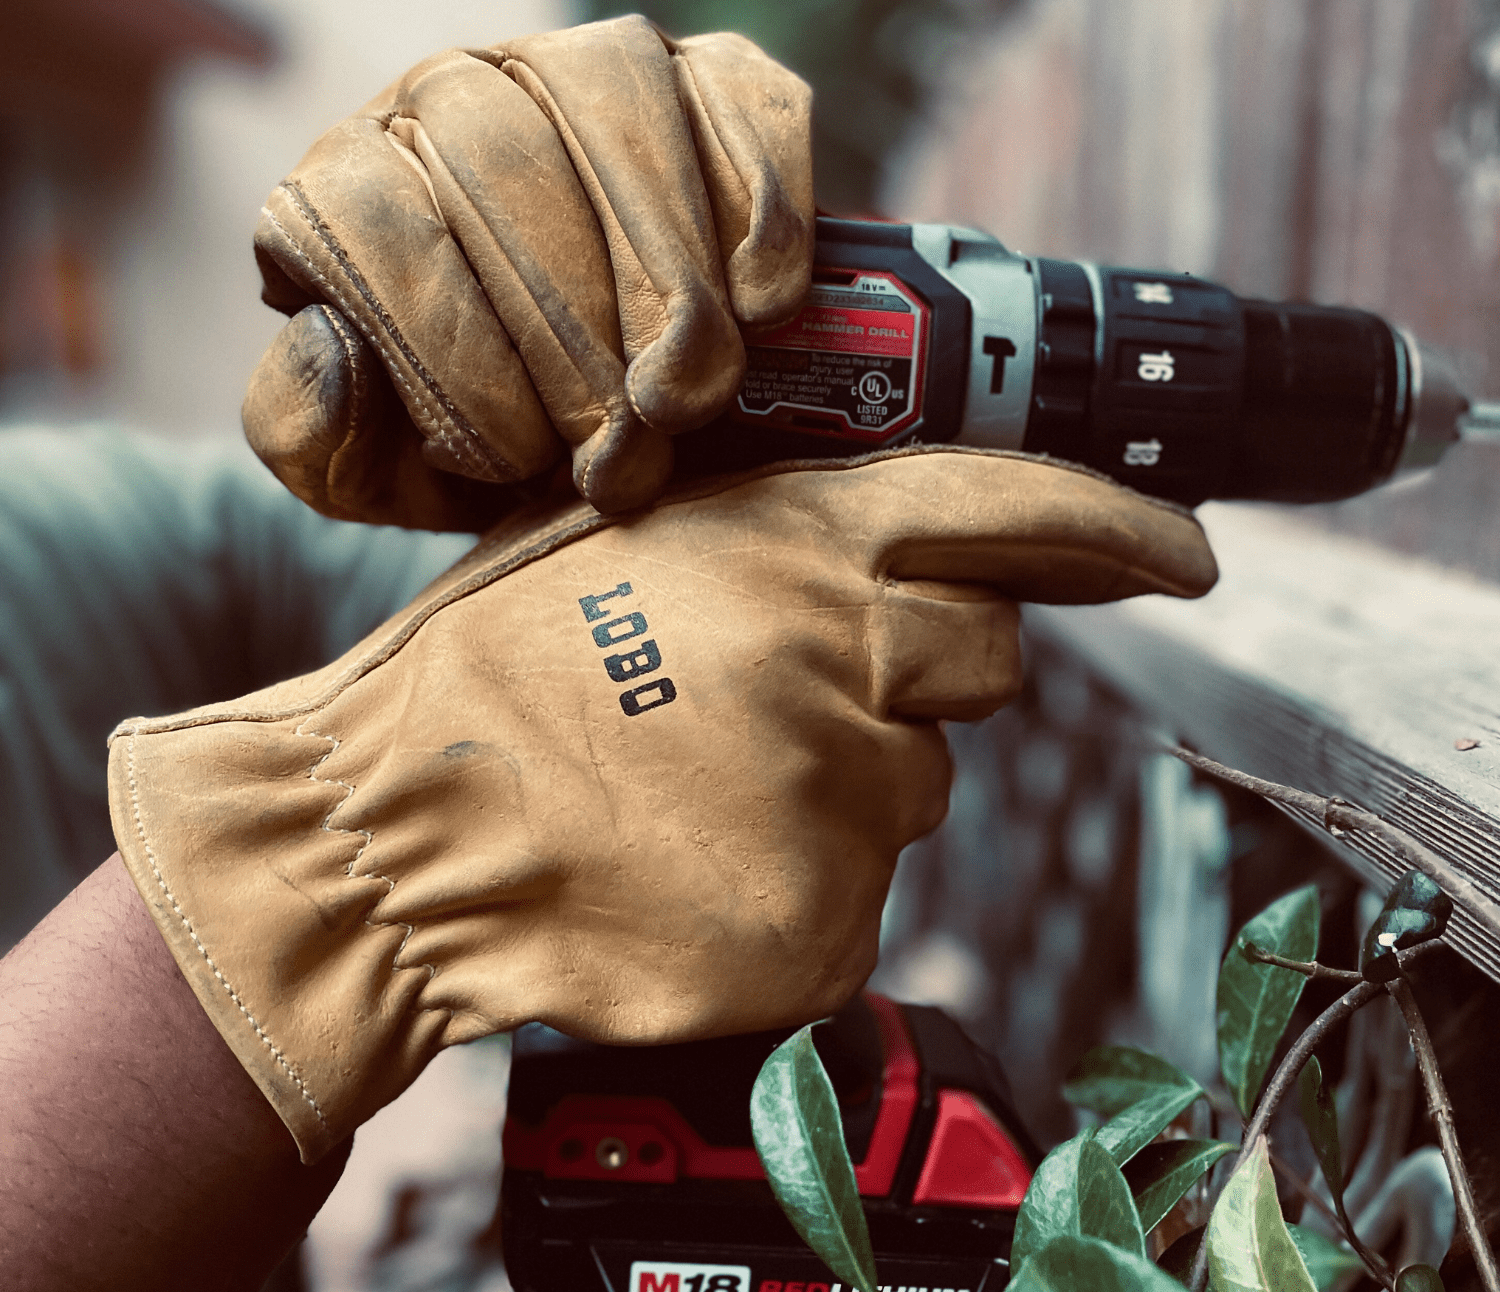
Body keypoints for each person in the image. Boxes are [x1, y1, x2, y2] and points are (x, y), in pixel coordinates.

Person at [0, 18, 1219, 1290]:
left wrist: (589, 453)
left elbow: (473, 612)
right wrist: (354, 860)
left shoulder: (49, 551)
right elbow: (469, 719)